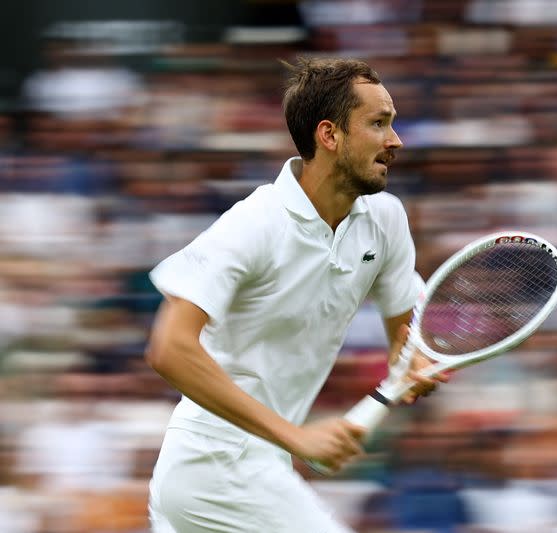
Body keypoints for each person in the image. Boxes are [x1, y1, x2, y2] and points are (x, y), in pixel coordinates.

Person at [145, 57, 443, 532]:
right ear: (330, 135)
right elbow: (170, 348)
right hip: (214, 466)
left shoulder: (386, 220)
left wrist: (411, 361)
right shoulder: (255, 224)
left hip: (249, 468)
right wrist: (296, 437)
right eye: (378, 123)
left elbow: (404, 336)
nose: (396, 141)